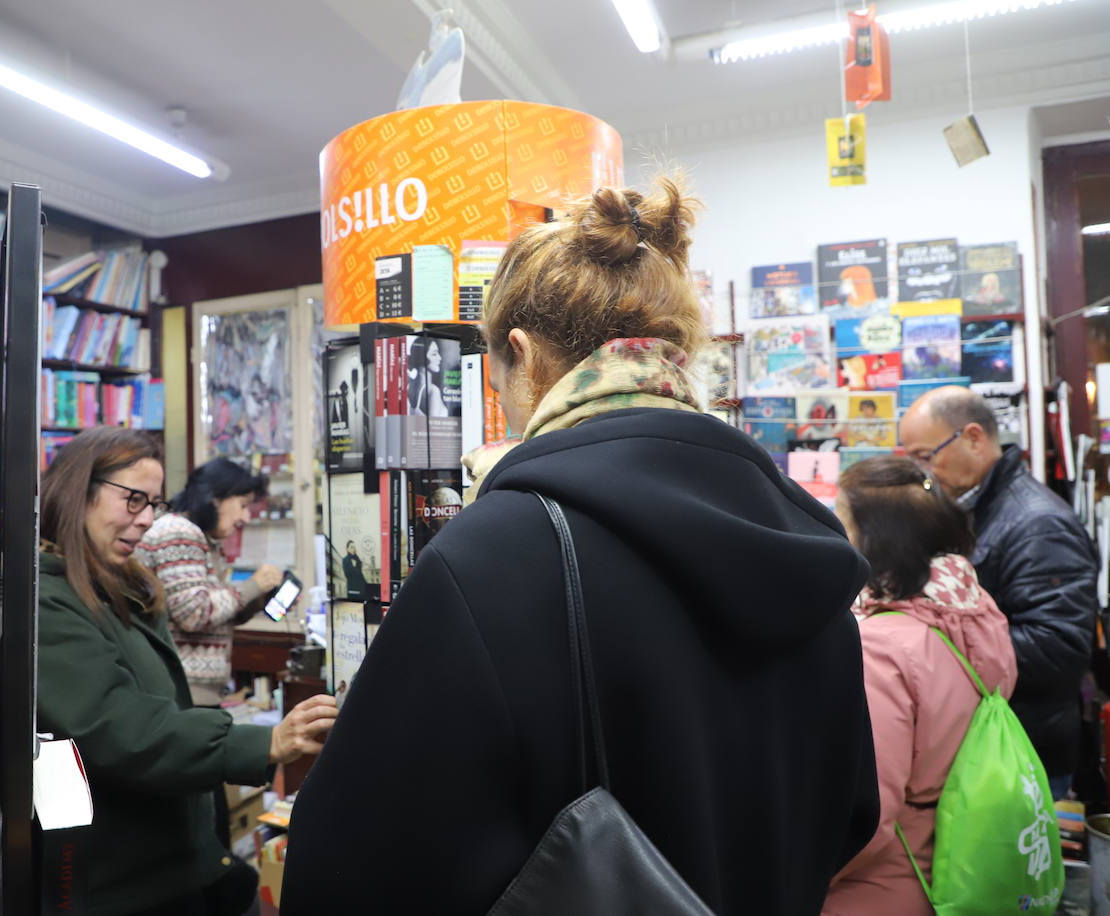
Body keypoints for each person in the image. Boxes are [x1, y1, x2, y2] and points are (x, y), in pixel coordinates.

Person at [280, 181, 879, 915]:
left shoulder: (490, 556)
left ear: (525, 359)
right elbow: (850, 815)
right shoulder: (807, 544)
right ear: (677, 352)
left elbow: (349, 865)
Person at [0, 428, 336, 916]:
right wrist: (262, 744)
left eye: (153, 504)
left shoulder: (105, 586)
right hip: (108, 887)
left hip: (153, 872)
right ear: (79, 491)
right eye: (133, 500)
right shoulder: (43, 606)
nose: (145, 520)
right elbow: (117, 725)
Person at [825, 456, 1017, 914]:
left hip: (883, 888)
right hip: (962, 862)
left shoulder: (880, 646)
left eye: (841, 522)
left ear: (874, 540)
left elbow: (870, 816)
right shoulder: (974, 612)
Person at [900, 386, 1096, 796]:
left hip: (1023, 750)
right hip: (994, 744)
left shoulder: (1036, 523)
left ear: (973, 437)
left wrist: (936, 644)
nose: (924, 472)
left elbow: (1058, 649)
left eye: (925, 455)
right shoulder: (972, 508)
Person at [134, 457, 284, 706]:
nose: (246, 518)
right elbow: (195, 614)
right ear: (215, 498)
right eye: (243, 505)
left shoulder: (198, 536)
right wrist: (253, 585)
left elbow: (214, 617)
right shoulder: (179, 532)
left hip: (188, 692)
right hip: (180, 693)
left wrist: (258, 597)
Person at [407, 337, 447, 417]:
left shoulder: (409, 386)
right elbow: (433, 426)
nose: (440, 358)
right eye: (434, 354)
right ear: (422, 356)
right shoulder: (433, 391)